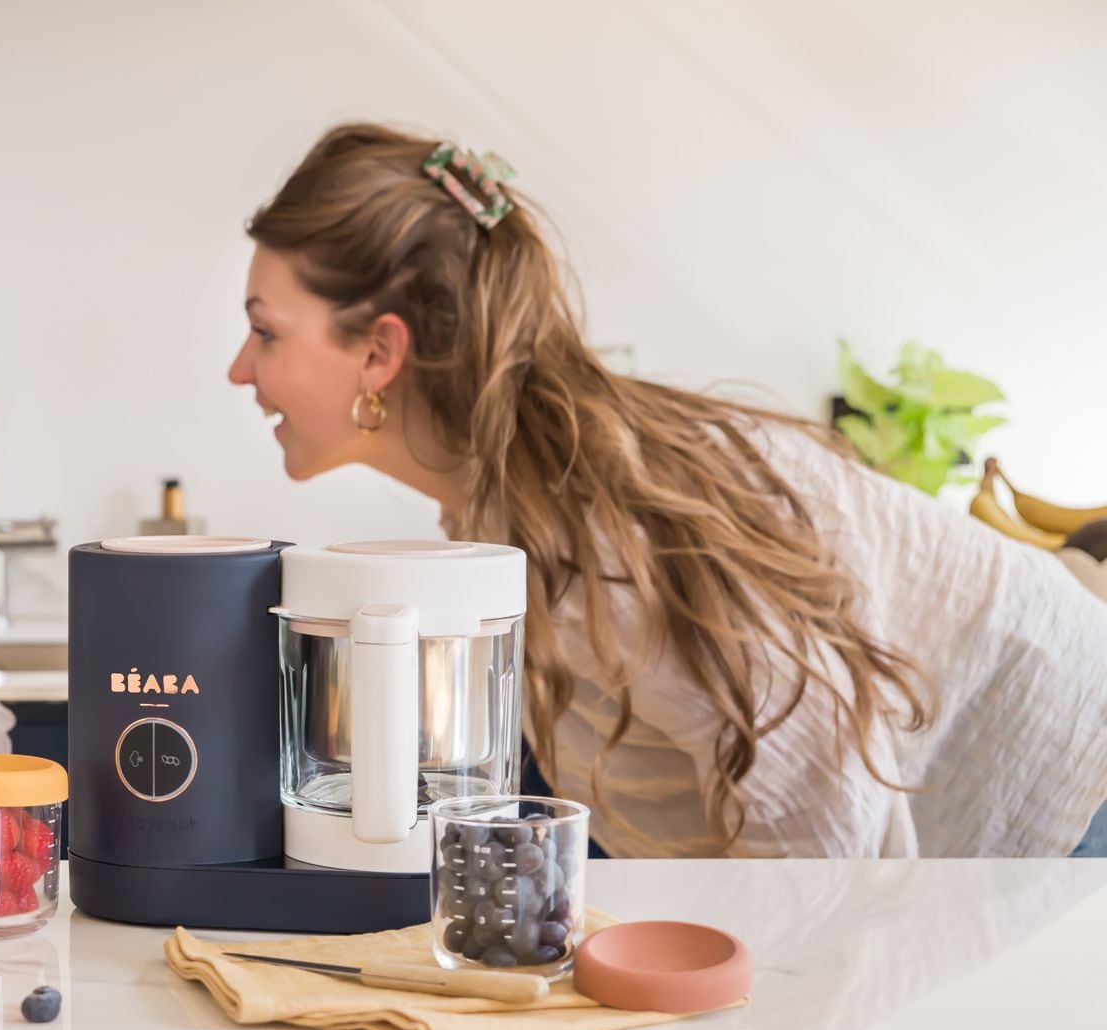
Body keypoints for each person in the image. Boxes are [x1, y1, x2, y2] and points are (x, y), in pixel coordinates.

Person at [228, 122, 1107, 857]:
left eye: (265, 333)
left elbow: (826, 826)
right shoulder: (515, 504)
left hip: (1064, 766)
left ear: (380, 353)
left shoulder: (594, 524)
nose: (240, 370)